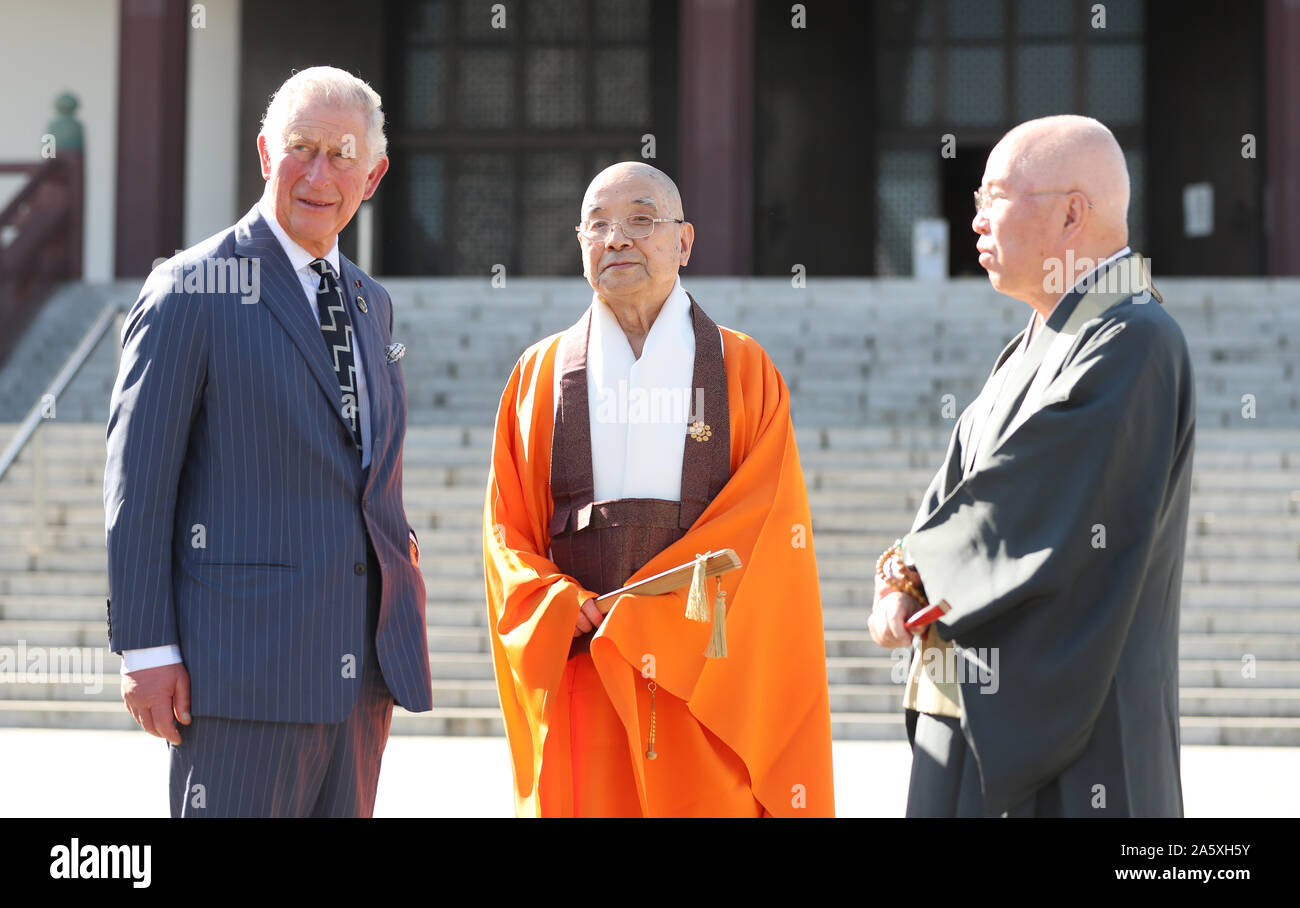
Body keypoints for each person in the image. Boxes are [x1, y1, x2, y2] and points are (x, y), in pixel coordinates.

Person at [104, 66, 431, 817]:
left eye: (343, 154)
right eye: (301, 147)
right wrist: (147, 649)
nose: (320, 173)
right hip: (239, 677)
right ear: (264, 154)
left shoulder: (370, 304)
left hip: (359, 680)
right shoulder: (193, 287)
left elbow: (368, 480)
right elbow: (138, 483)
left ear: (373, 175)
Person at [483, 162, 834, 817]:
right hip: (584, 667)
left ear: (685, 242)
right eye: (598, 225)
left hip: (700, 676)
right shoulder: (537, 375)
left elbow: (764, 521)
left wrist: (653, 620)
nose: (618, 239)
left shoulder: (743, 368)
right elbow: (507, 536)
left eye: (642, 220)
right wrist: (560, 603)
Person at [868, 115, 1194, 817]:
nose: (976, 218)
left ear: (1073, 212)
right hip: (975, 693)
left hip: (1075, 723)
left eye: (994, 197)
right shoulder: (1034, 344)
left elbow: (1037, 500)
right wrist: (904, 570)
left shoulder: (1135, 336)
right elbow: (956, 493)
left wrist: (913, 575)